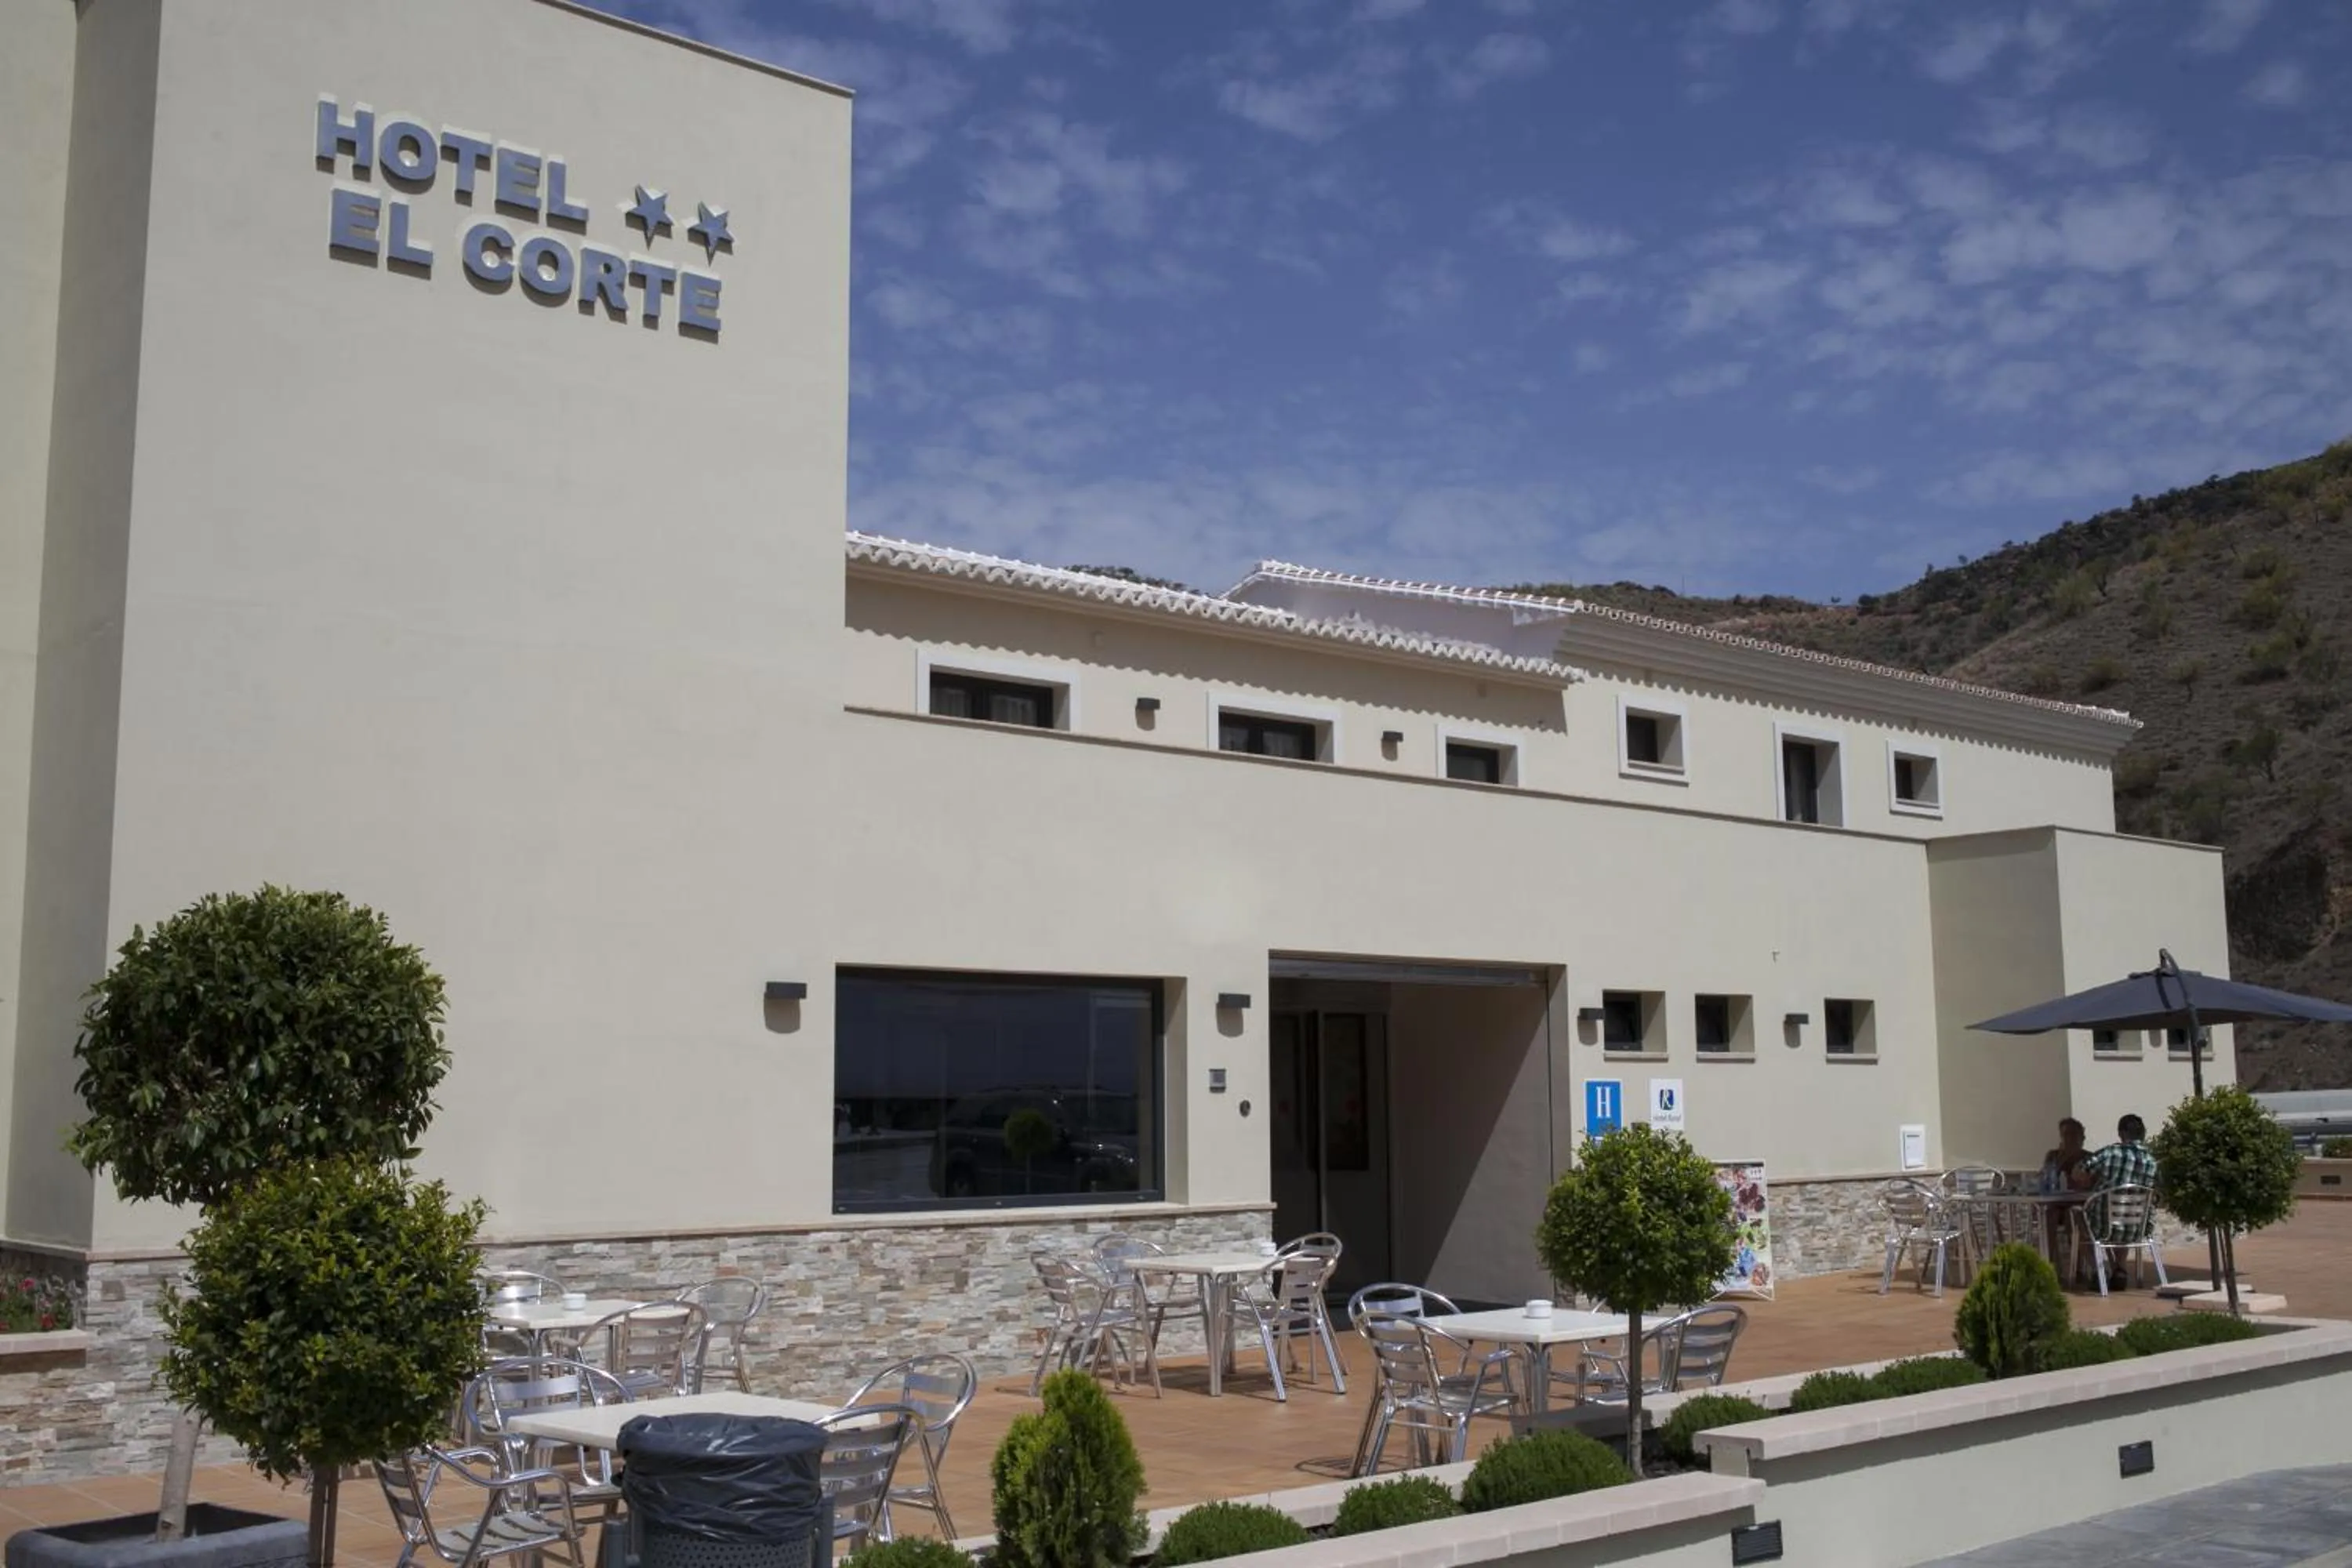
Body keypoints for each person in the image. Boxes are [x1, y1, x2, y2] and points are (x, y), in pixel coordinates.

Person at [2070, 1112, 2158, 1287]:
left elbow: (2080, 1169)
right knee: (2123, 1217)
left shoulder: (2110, 1153)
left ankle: (2099, 1270)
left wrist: (2084, 1180)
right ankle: (2120, 1269)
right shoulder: (2152, 1161)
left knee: (2076, 1215)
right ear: (2143, 1133)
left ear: (2121, 1134)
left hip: (2103, 1225)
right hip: (2137, 1228)